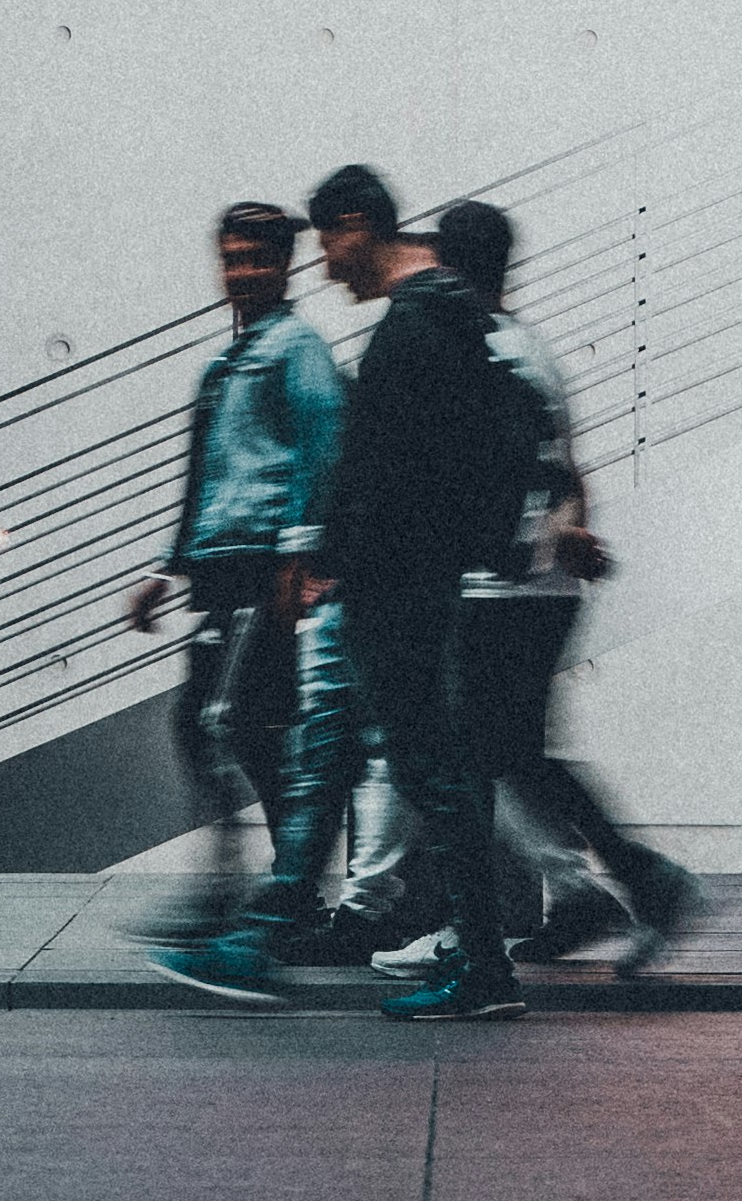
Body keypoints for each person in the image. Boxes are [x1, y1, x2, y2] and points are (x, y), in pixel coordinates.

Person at [157, 164, 538, 1019]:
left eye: (329, 243)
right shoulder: (444, 317)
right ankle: (268, 934)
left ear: (360, 226)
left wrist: (326, 557)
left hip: (392, 591)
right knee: (342, 754)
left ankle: (479, 965)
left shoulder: (414, 327)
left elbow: (384, 472)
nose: (327, 266)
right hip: (399, 584)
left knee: (426, 770)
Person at [429, 198, 698, 980]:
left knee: (495, 753)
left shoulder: (491, 355)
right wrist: (569, 528)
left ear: (448, 266)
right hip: (528, 586)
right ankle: (598, 889)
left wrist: (547, 533)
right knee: (511, 751)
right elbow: (565, 470)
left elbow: (525, 472)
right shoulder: (526, 350)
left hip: (506, 588)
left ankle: (636, 881)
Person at [123, 202, 346, 927]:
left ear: (287, 265)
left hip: (264, 569)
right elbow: (203, 477)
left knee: (228, 722)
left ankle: (268, 892)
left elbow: (325, 449)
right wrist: (166, 566)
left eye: (257, 257)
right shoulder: (228, 362)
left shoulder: (297, 350)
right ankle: (285, 889)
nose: (242, 269)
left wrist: (299, 552)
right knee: (215, 724)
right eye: (232, 256)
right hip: (219, 570)